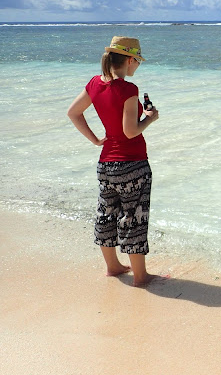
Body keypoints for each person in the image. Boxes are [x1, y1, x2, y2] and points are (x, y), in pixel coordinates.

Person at [67, 36, 160, 287]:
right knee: (134, 218)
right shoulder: (128, 89)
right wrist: (149, 118)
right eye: (138, 60)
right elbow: (130, 131)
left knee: (106, 214)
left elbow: (73, 112)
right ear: (129, 60)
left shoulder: (95, 83)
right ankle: (140, 277)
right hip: (132, 164)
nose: (138, 65)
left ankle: (113, 267)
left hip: (106, 164)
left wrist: (96, 140)